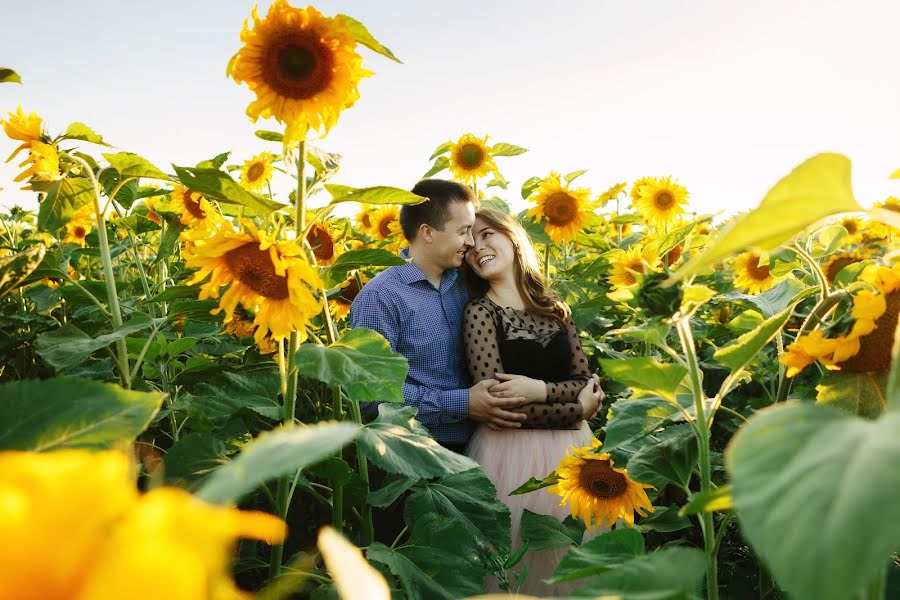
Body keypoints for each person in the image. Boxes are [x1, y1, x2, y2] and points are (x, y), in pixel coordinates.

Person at [352, 179, 602, 450]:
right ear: (427, 232)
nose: (471, 243)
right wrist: (463, 403)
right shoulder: (381, 296)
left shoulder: (468, 283)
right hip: (416, 449)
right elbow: (370, 396)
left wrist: (578, 387)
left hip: (482, 447)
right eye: (464, 232)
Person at [462, 207, 604, 595]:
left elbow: (582, 380)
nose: (478, 246)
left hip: (572, 453)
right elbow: (501, 404)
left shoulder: (556, 310)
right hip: (510, 456)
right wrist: (577, 411)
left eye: (488, 233)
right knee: (521, 569)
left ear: (512, 237)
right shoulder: (480, 312)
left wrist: (538, 389)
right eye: (470, 241)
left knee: (578, 563)